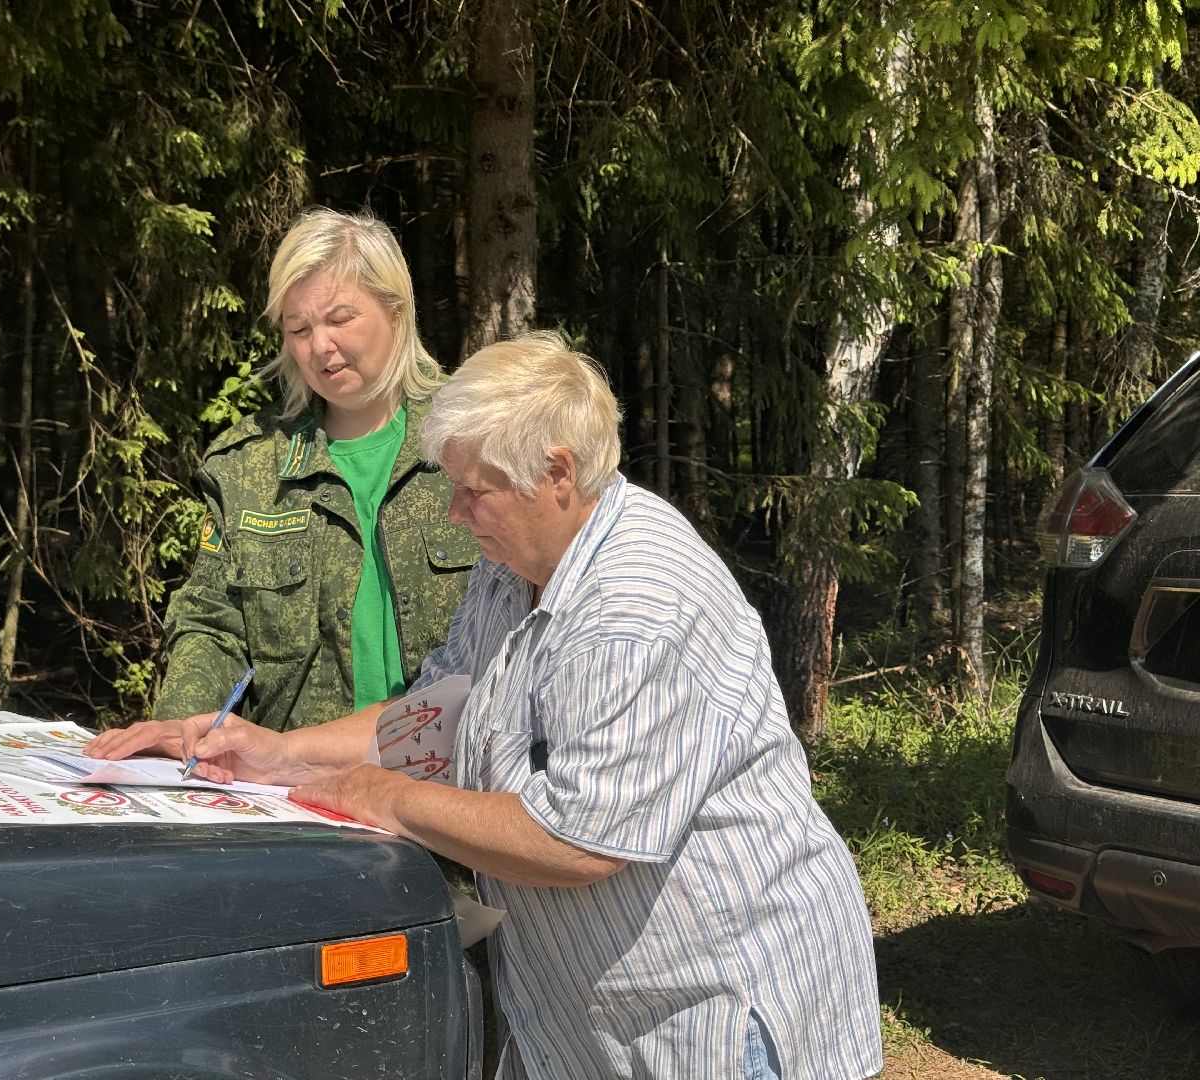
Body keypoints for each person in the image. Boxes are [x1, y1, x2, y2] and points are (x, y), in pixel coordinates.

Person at [168, 331, 885, 1078]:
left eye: (474, 490)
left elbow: (577, 840)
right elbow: (441, 708)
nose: (454, 513)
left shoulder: (634, 605)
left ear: (558, 473)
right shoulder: (515, 566)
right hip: (596, 1018)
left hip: (714, 1017)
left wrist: (390, 799)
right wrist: (279, 753)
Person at [88, 207, 478, 760]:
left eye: (340, 319)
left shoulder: (475, 443)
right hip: (294, 792)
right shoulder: (248, 466)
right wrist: (184, 727)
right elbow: (211, 624)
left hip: (456, 783)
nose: (320, 346)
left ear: (396, 310)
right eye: (299, 329)